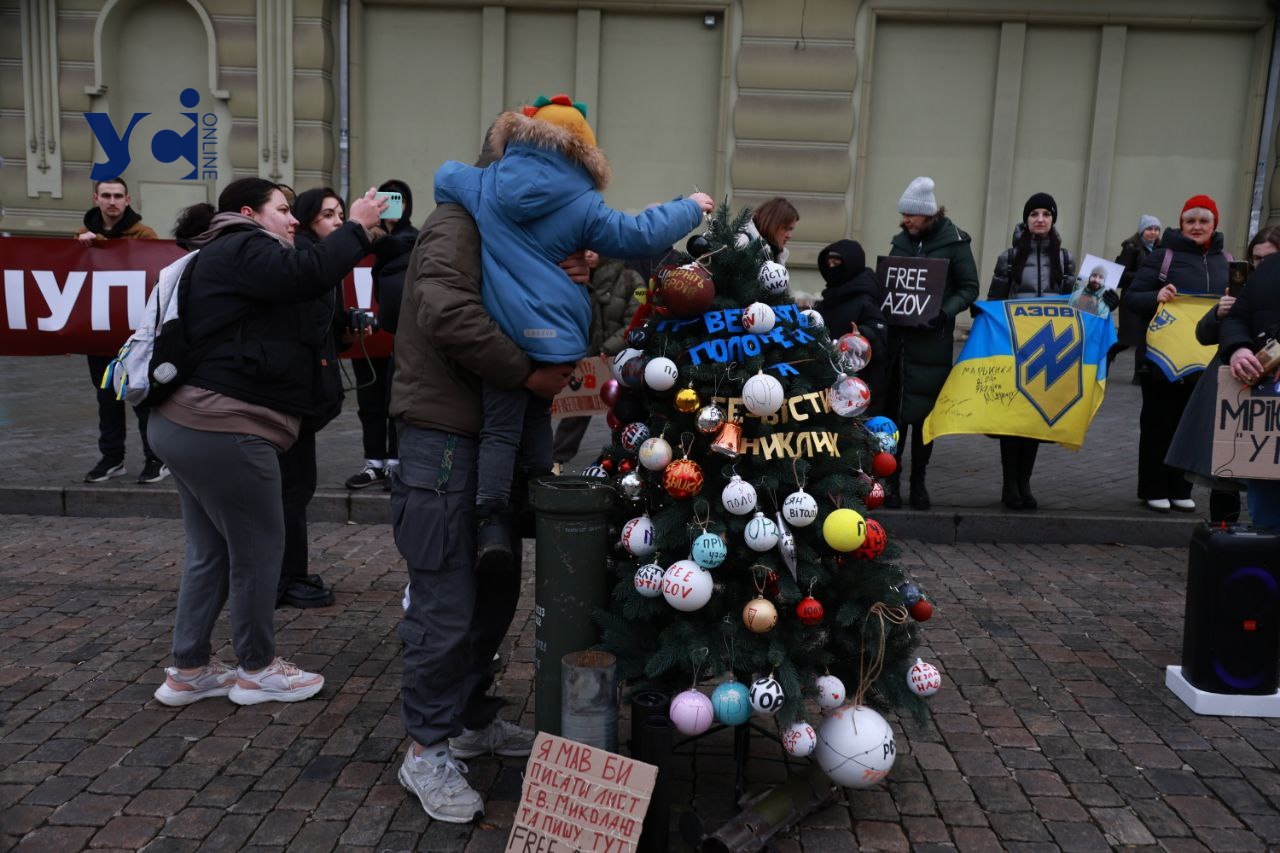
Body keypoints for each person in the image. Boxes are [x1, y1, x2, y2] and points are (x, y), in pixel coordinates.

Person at [391, 124, 586, 823]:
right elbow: (446, 312)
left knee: (493, 594)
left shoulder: (507, 230)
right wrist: (527, 370)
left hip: (487, 449)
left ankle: (470, 719)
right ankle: (425, 747)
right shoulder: (454, 224)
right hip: (445, 445)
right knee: (445, 605)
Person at [433, 94, 710, 571]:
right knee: (539, 417)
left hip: (504, 330)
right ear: (583, 150)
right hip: (557, 337)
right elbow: (638, 234)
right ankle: (541, 500)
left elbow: (443, 175)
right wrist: (688, 208)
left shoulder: (483, 184)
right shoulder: (582, 202)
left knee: (500, 428)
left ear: (517, 137)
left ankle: (492, 519)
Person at [147, 178, 385, 708]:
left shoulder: (228, 253)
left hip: (187, 423)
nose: (294, 220)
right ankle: (255, 670)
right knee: (259, 551)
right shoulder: (242, 243)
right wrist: (358, 226)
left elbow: (295, 298)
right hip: (224, 427)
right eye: (284, 209)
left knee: (211, 551)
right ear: (250, 213)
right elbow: (307, 272)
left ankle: (188, 671)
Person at [1122, 195, 1229, 513]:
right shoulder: (1162, 257)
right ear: (1181, 224)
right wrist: (1157, 295)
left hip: (1205, 359)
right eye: (1190, 221)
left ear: (1214, 224)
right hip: (1161, 361)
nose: (1197, 226)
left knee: (1192, 425)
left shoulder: (1227, 260)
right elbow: (1132, 298)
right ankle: (1153, 487)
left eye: (1203, 221)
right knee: (1159, 424)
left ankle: (1181, 487)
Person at [1167, 226, 1280, 523]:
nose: (1261, 265)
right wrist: (1220, 312)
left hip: (1269, 389)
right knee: (1224, 473)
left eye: (1269, 259)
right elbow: (1204, 334)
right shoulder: (1238, 288)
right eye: (1256, 259)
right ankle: (1225, 535)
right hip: (1234, 383)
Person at [272, 187, 350, 609]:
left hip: (305, 397)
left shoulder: (318, 264)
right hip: (292, 398)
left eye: (340, 214)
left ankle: (288, 574)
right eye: (327, 215)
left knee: (296, 488)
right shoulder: (303, 264)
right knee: (291, 489)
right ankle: (285, 579)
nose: (336, 222)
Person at [883, 176, 981, 509]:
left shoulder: (955, 243)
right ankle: (892, 481)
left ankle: (919, 482)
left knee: (924, 418)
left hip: (932, 344)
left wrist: (945, 311)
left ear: (928, 214)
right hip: (900, 344)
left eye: (911, 215)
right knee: (895, 417)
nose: (905, 220)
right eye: (904, 215)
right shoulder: (901, 242)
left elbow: (969, 287)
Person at [985, 193, 1078, 510]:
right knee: (1013, 421)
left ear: (1053, 220)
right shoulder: (1009, 257)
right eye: (1034, 214)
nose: (1040, 219)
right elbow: (994, 302)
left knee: (1035, 420)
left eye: (1046, 214)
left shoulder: (1065, 259)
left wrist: (1105, 302)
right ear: (1026, 220)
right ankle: (1009, 484)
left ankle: (1024, 483)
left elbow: (1077, 305)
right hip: (1014, 348)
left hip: (1048, 351)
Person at [76, 178, 167, 484]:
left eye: (117, 196)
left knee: (141, 398)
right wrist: (84, 246)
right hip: (100, 334)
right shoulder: (82, 236)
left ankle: (156, 458)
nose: (112, 201)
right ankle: (112, 458)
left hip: (134, 336)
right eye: (106, 195)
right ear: (96, 198)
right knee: (107, 399)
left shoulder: (144, 235)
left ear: (127, 200)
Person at [346, 179, 418, 490]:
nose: (392, 206)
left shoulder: (414, 239)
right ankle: (373, 461)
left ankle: (396, 462)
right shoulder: (359, 239)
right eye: (387, 200)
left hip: (402, 333)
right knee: (369, 399)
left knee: (396, 399)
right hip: (367, 331)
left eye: (398, 199)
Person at [551, 250, 645, 468]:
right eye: (585, 249)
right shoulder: (577, 279)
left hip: (619, 360)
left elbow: (636, 320)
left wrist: (608, 347)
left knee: (625, 410)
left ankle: (626, 460)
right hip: (586, 360)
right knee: (577, 410)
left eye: (595, 248)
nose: (589, 254)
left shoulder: (630, 279)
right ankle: (556, 459)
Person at [1220, 242, 1280, 530]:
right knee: (1267, 510)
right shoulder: (1270, 268)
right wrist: (1239, 349)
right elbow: (1238, 319)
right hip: (1268, 411)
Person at [816, 239, 889, 416]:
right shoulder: (830, 297)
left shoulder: (865, 298)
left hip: (856, 384)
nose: (832, 268)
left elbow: (880, 333)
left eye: (837, 263)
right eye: (829, 263)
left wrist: (862, 334)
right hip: (830, 377)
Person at [1115, 215, 1163, 382]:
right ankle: (1107, 355)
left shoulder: (1160, 249)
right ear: (1142, 231)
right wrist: (1143, 277)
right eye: (1149, 229)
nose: (1153, 233)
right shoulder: (1131, 248)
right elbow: (1121, 274)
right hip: (1132, 297)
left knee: (1144, 336)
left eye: (1156, 229)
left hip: (1150, 298)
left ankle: (1139, 373)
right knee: (1127, 338)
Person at [741, 197, 799, 264]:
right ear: (772, 224)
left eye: (791, 230)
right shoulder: (743, 241)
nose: (789, 236)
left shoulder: (776, 253)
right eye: (786, 228)